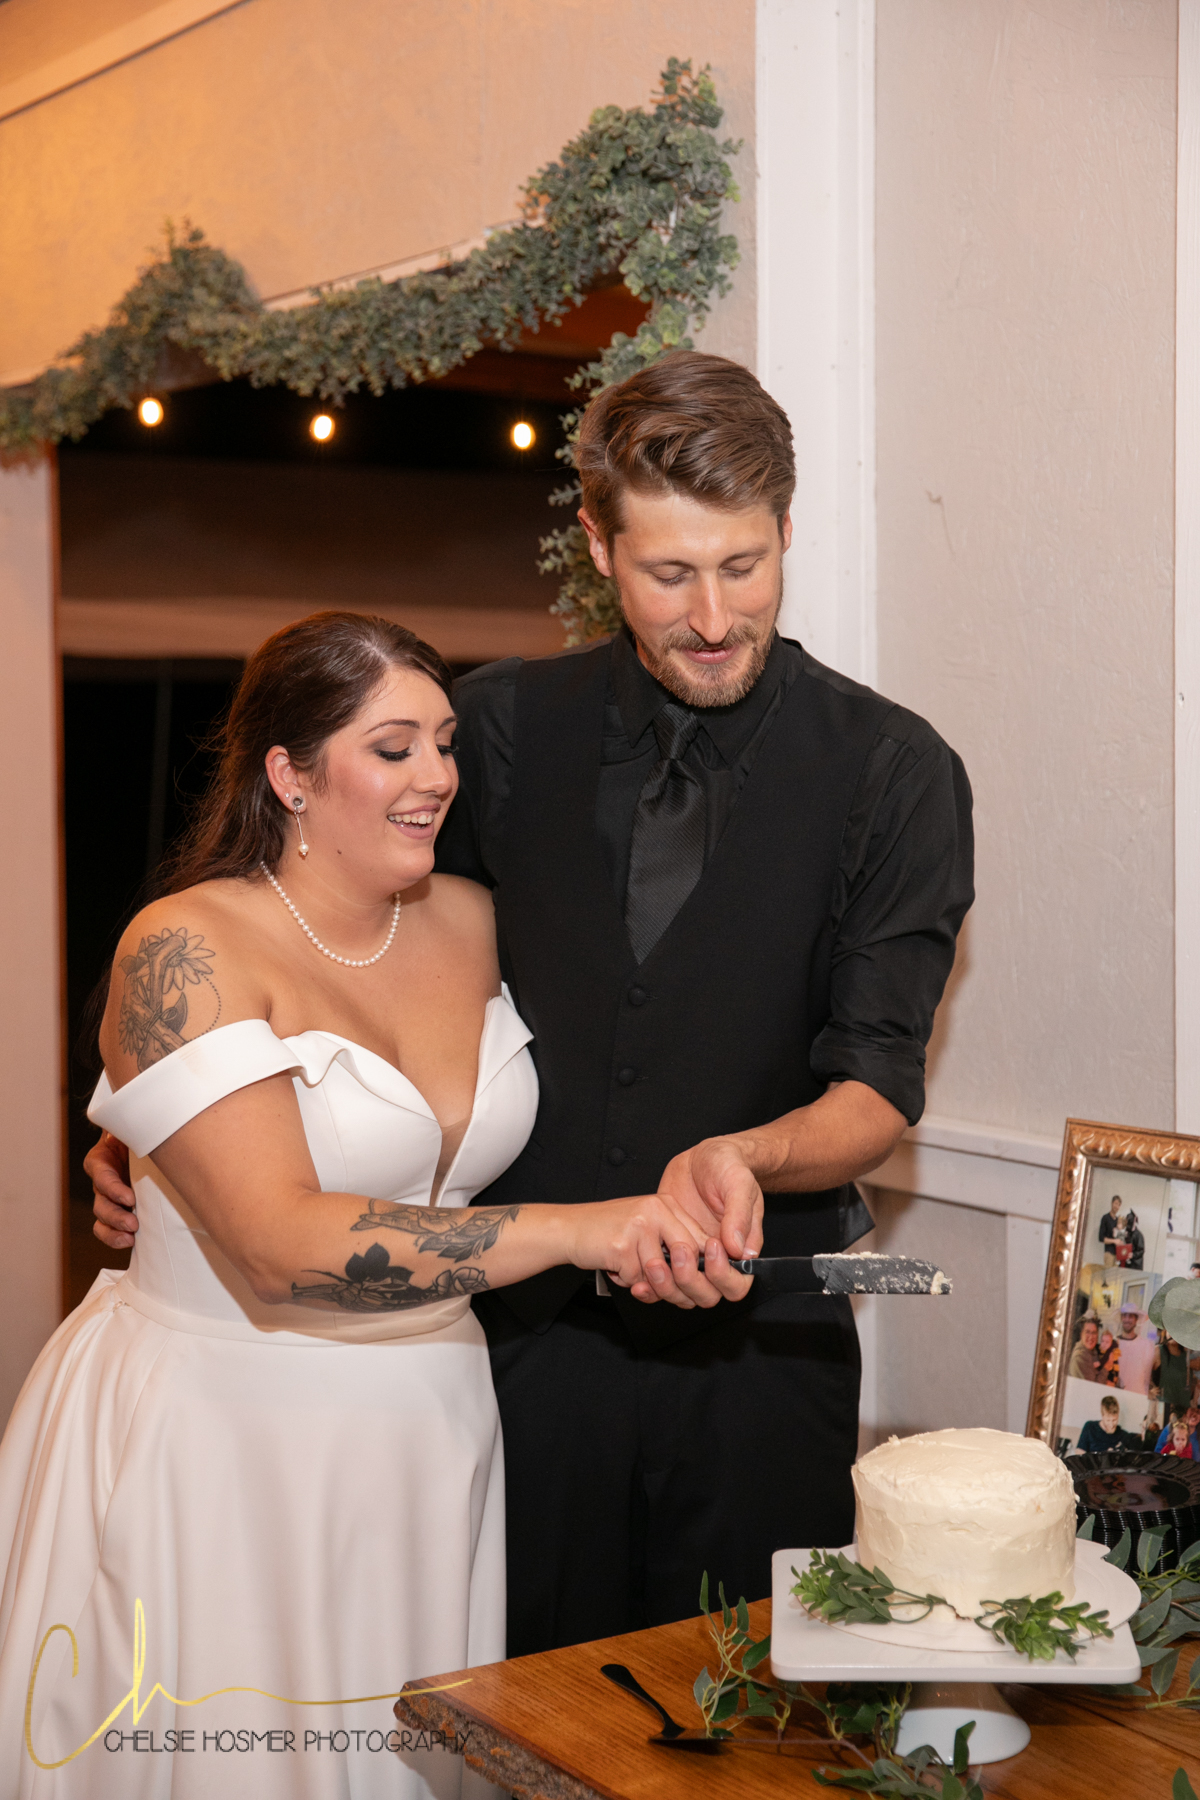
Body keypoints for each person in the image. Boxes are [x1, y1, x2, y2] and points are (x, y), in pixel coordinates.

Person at [92, 351, 975, 1656]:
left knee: (748, 1717)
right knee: (503, 1712)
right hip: (509, 1353)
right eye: (670, 574)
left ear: (788, 529)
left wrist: (746, 1154)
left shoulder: (896, 773)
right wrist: (175, 1134)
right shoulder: (493, 730)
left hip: (762, 1358)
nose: (714, 616)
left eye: (744, 565)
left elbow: (877, 1086)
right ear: (600, 550)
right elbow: (348, 953)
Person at [2, 614, 741, 1800]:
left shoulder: (483, 922)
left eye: (444, 744)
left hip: (431, 1428)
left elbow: (633, 1070)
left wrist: (716, 1176)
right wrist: (582, 1230)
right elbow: (277, 1245)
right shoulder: (182, 947)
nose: (437, 775)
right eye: (392, 748)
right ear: (289, 775)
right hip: (228, 1435)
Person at [1115, 1301, 1159, 1396]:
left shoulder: (1146, 1345)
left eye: (1131, 1316)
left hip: (1138, 1396)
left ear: (1136, 1319)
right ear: (1121, 1318)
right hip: (1115, 1396)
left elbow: (1149, 1374)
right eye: (1124, 1316)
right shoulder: (1113, 1343)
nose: (1127, 1319)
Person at [1154, 1333, 1195, 1416]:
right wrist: (1150, 1390)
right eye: (1170, 1330)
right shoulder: (1158, 1350)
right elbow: (1143, 1372)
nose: (1173, 1334)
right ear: (1165, 1331)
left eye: (1176, 1331)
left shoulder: (1187, 1355)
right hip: (1165, 1406)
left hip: (1185, 1408)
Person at [1068, 1316, 1104, 1382]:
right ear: (1081, 1334)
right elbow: (1092, 1387)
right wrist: (1106, 1369)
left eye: (1094, 1333)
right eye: (1087, 1332)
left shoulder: (1094, 1351)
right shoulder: (1079, 1357)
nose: (1091, 1337)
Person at [1099, 1196, 1122, 1261]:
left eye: (1119, 1205)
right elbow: (1101, 1238)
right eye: (1116, 1203)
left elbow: (1120, 1237)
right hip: (1109, 1253)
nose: (1117, 1206)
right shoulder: (1105, 1218)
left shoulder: (1118, 1220)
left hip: (1117, 1254)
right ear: (1112, 1203)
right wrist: (1114, 1241)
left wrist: (1120, 1230)